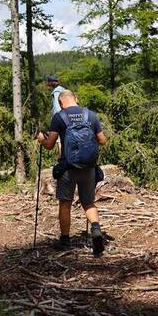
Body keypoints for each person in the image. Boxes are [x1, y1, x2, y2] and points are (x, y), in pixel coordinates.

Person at [37, 89, 108, 256]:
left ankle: (65, 240)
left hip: (68, 168)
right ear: (76, 99)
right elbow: (102, 140)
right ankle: (96, 230)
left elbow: (49, 145)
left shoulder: (59, 117)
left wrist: (41, 140)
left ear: (61, 103)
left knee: (65, 203)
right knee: (88, 202)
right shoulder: (90, 115)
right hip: (89, 168)